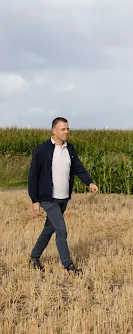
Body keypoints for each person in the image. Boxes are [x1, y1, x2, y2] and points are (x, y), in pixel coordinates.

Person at [28, 117, 99, 274]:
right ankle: (68, 265)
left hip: (63, 197)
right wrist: (35, 200)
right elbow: (33, 176)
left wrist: (89, 183)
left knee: (50, 228)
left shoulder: (70, 149)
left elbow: (78, 168)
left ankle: (34, 257)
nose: (66, 131)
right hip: (48, 197)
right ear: (54, 131)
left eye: (67, 129)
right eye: (63, 129)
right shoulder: (42, 150)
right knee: (61, 229)